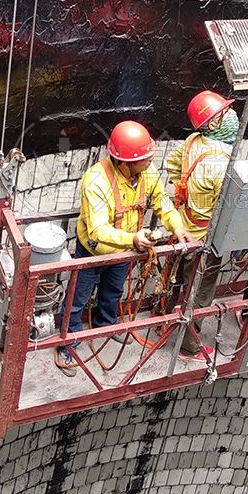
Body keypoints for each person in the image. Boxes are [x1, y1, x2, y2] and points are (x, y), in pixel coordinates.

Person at [55, 120, 193, 375]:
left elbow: (162, 201)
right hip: (94, 251)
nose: (151, 161)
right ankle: (67, 343)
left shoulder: (146, 172)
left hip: (124, 251)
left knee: (113, 292)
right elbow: (97, 230)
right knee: (78, 298)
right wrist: (132, 240)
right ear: (125, 162)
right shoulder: (96, 181)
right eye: (145, 158)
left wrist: (177, 226)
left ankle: (107, 326)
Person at [166, 90, 239, 359]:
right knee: (200, 291)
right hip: (204, 237)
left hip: (184, 225)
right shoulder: (221, 162)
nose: (231, 116)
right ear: (212, 122)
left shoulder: (193, 141)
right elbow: (230, 205)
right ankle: (189, 345)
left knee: (178, 280)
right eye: (223, 113)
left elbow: (172, 165)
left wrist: (188, 192)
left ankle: (164, 319)